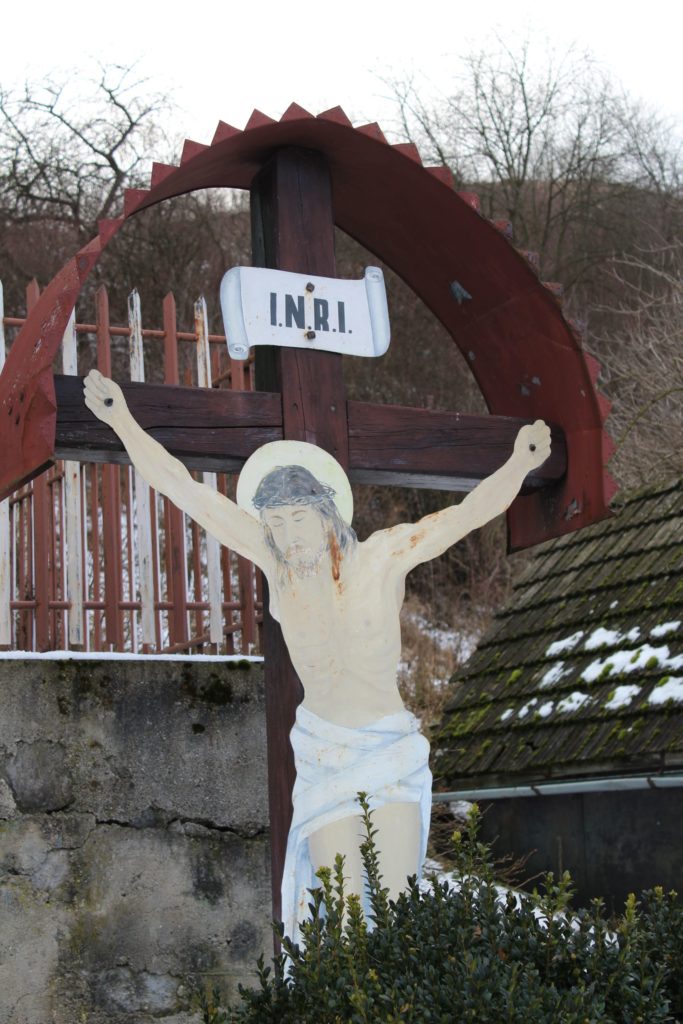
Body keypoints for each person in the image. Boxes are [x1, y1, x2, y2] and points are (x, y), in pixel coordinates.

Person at [83, 369, 551, 943]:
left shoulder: (383, 558)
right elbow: (186, 490)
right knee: (346, 923)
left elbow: (465, 515)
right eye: (275, 524)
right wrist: (122, 420)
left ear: (326, 511)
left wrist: (519, 463)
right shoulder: (277, 566)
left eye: (297, 519)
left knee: (395, 915)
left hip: (386, 751)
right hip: (325, 756)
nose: (287, 536)